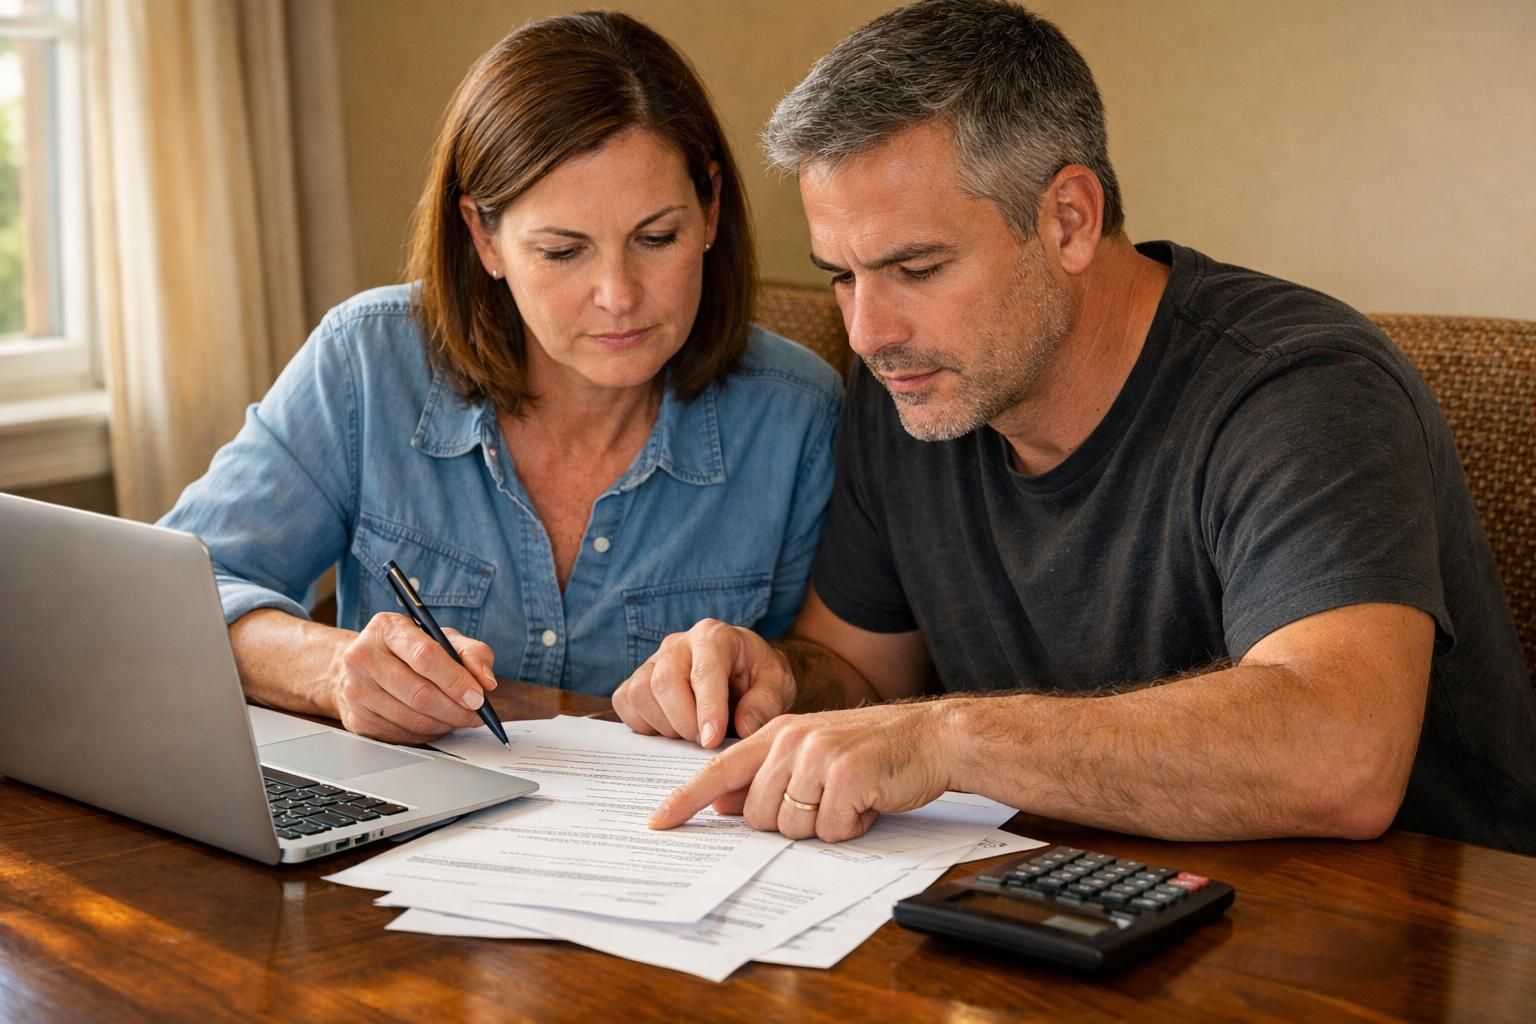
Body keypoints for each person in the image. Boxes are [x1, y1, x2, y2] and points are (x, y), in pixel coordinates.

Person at [615, 0, 1536, 854]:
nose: (869, 333)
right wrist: (773, 680)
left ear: (1069, 218)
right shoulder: (913, 388)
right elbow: (859, 671)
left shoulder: (1300, 388)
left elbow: (1342, 755)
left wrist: (951, 737)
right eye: (843, 275)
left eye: (918, 268)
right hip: (1073, 909)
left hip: (1409, 939)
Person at [160, 12, 840, 746]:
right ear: (485, 238)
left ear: (709, 209)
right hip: (402, 844)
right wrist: (327, 669)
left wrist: (773, 667)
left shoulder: (798, 412)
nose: (618, 294)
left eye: (656, 238)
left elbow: (851, 668)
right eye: (562, 251)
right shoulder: (367, 362)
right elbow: (176, 595)